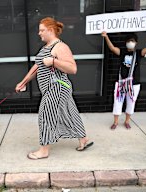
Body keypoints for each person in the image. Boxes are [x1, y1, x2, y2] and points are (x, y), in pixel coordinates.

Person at [15, 17, 93, 160]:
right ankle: (83, 139)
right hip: (51, 88)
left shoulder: (60, 47)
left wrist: (53, 61)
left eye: (42, 30)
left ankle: (44, 150)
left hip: (57, 87)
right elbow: (37, 66)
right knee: (69, 113)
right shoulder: (46, 47)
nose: (39, 33)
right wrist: (23, 82)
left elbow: (72, 68)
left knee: (45, 116)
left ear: (50, 30)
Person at [101, 29, 146, 129]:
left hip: (134, 83)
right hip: (121, 82)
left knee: (131, 102)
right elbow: (112, 48)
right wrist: (106, 37)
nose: (130, 43)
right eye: (128, 41)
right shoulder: (122, 52)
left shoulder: (139, 53)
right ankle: (115, 122)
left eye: (132, 41)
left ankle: (127, 121)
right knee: (118, 101)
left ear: (136, 43)